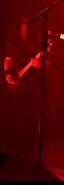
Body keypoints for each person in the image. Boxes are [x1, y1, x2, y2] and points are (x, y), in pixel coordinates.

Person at [2, 18, 43, 156]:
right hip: (16, 81)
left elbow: (44, 62)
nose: (24, 30)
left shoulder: (35, 42)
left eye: (26, 27)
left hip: (31, 83)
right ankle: (19, 146)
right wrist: (7, 74)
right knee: (18, 115)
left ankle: (29, 147)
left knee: (30, 115)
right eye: (22, 27)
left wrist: (39, 64)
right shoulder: (13, 42)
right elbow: (7, 60)